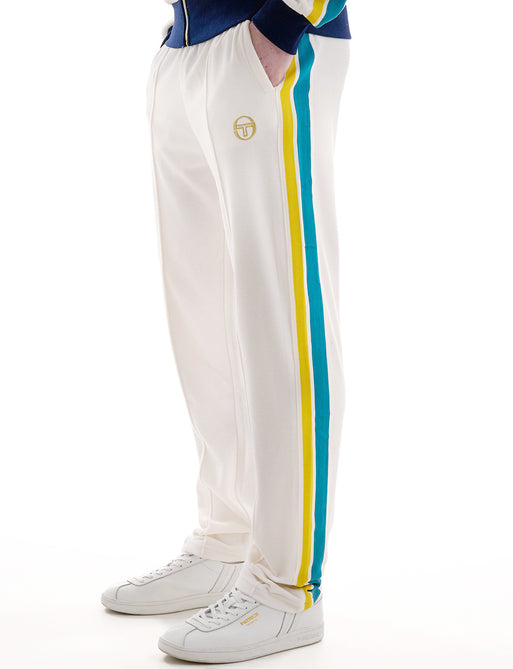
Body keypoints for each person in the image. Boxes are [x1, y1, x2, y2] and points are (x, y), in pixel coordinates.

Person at [102, 0, 351, 662]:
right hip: (186, 48)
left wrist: (286, 23)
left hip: (271, 39)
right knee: (205, 320)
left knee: (282, 317)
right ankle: (227, 539)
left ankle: (286, 587)